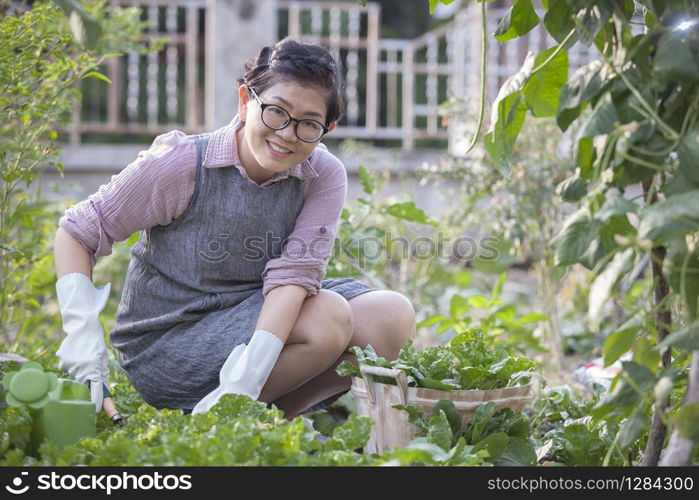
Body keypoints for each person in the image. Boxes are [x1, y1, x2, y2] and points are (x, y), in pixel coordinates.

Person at [53, 37, 416, 419]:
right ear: (246, 101)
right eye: (277, 112)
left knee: (390, 317)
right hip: (170, 343)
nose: (287, 134)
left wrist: (249, 373)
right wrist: (81, 334)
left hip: (257, 314)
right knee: (329, 318)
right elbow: (78, 231)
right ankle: (225, 415)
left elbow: (294, 277)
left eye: (309, 124)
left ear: (328, 127)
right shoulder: (184, 163)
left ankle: (255, 416)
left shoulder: (320, 175)